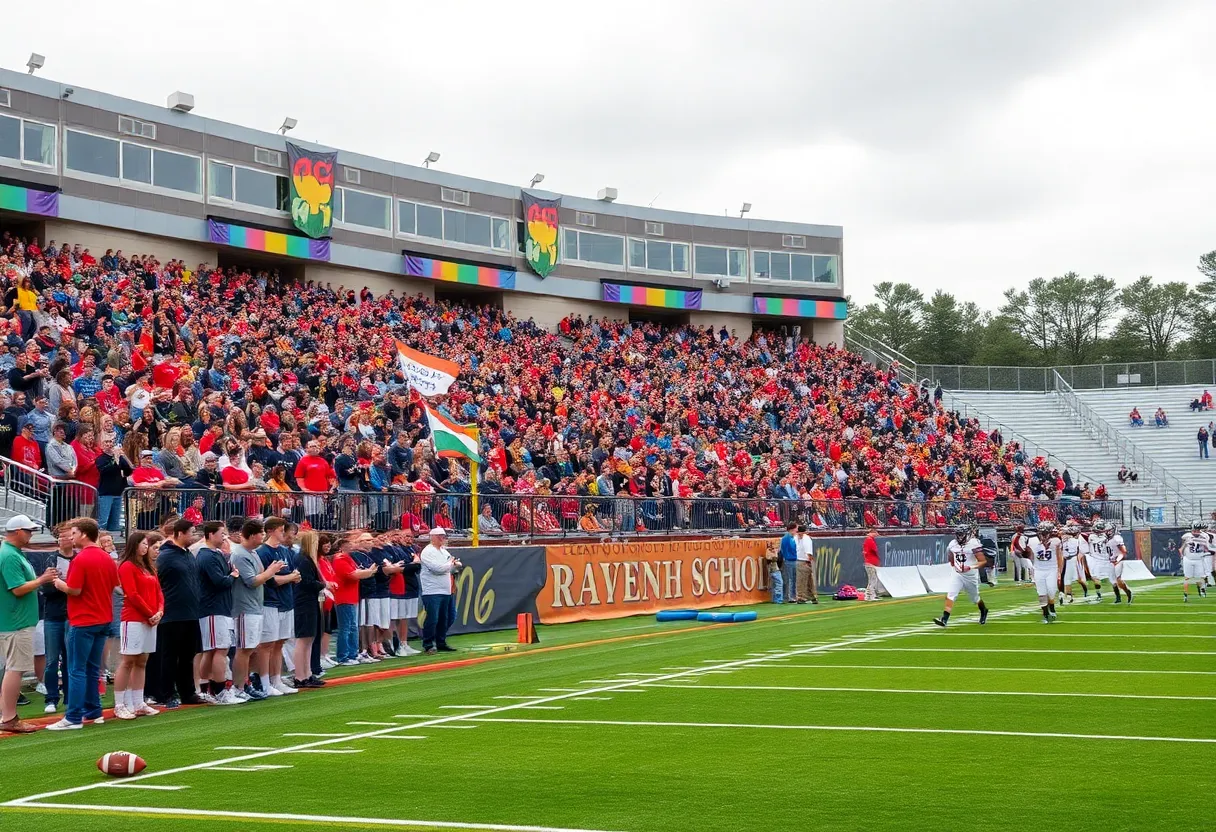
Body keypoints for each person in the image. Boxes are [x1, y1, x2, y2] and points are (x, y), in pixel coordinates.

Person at [46, 517, 119, 730]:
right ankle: (94, 711)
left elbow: (75, 590)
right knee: (91, 667)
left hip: (84, 620)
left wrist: (59, 583)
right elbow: (114, 584)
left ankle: (74, 717)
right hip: (103, 618)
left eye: (75, 533)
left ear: (84, 535)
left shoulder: (81, 559)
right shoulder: (106, 557)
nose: (72, 537)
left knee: (76, 669)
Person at [0, 515, 57, 733]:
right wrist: (42, 580)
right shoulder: (9, 556)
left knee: (13, 669)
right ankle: (9, 718)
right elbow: (17, 588)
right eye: (28, 530)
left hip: (15, 620)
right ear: (16, 532)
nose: (31, 534)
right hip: (16, 622)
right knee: (15, 670)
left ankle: (7, 715)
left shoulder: (11, 553)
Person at [150, 519, 204, 709]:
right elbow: (157, 583)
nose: (194, 536)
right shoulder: (165, 557)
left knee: (188, 656)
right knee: (169, 656)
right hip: (171, 613)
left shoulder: (187, 554)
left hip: (190, 613)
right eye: (191, 532)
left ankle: (187, 692)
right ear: (180, 533)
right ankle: (167, 693)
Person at [230, 519, 282, 702]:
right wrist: (271, 571)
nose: (263, 536)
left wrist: (269, 572)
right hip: (245, 607)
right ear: (252, 535)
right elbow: (252, 581)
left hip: (254, 606)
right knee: (244, 649)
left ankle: (246, 683)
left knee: (251, 648)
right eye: (260, 533)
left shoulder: (251, 553)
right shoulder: (240, 555)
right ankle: (238, 687)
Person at [114, 532, 164, 720]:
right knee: (128, 661)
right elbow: (132, 595)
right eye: (143, 544)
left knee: (142, 661)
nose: (146, 547)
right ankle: (120, 704)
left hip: (150, 619)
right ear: (135, 545)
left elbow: (159, 592)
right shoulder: (127, 566)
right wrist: (151, 613)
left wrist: (159, 611)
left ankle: (138, 702)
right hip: (133, 619)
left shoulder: (149, 567)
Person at [196, 521, 241, 704]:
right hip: (214, 609)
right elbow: (220, 581)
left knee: (212, 650)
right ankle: (220, 689)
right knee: (220, 649)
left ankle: (207, 688)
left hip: (217, 608)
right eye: (221, 533)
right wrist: (232, 576)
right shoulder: (207, 556)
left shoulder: (214, 555)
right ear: (210, 534)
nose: (224, 537)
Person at [255, 517, 300, 696]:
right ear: (272, 530)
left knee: (279, 643)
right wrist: (289, 578)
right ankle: (264, 682)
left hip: (286, 601)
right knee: (267, 644)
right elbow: (270, 581)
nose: (284, 534)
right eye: (281, 530)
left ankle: (276, 679)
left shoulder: (285, 551)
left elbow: (294, 574)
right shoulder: (263, 552)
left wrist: (289, 578)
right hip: (271, 602)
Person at [933, 524, 991, 627]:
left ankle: (983, 610)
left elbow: (982, 561)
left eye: (961, 534)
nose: (959, 537)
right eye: (958, 534)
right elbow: (950, 555)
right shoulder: (952, 544)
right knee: (951, 594)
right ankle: (944, 619)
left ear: (967, 534)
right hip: (957, 574)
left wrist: (970, 567)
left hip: (970, 575)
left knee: (975, 598)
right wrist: (953, 563)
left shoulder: (973, 543)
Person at [290, 530, 326, 688]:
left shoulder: (306, 559)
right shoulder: (303, 560)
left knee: (309, 639)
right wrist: (323, 585)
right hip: (304, 602)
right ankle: (300, 675)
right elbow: (306, 582)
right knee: (303, 639)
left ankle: (307, 673)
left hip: (309, 601)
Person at [419, 527, 461, 654]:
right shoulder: (427, 552)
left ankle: (440, 641)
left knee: (447, 617)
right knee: (433, 618)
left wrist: (454, 565)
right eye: (441, 536)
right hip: (432, 590)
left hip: (446, 589)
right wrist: (451, 564)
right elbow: (436, 568)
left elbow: (450, 567)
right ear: (434, 537)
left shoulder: (444, 551)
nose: (443, 539)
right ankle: (428, 644)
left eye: (443, 536)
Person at [1091, 521, 1133, 604]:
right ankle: (1118, 598)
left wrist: (1117, 560)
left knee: (1118, 580)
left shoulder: (1117, 538)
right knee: (1113, 581)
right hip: (1110, 561)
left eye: (1109, 530)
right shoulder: (1105, 539)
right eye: (1106, 531)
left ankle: (1128, 592)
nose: (1108, 532)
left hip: (1118, 560)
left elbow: (1124, 551)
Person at [1180, 520, 1210, 603]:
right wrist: (1182, 554)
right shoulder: (1186, 536)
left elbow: (1206, 546)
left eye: (1198, 530)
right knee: (1187, 577)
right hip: (1188, 559)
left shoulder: (1204, 536)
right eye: (1195, 529)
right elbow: (1182, 546)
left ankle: (1201, 589)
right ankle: (1185, 595)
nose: (1196, 531)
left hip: (1199, 559)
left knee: (1199, 577)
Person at [794, 524, 817, 604]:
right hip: (801, 561)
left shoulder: (805, 539)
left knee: (802, 581)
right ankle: (812, 597)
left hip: (803, 561)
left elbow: (809, 553)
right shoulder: (798, 538)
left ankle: (801, 597)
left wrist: (809, 561)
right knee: (807, 581)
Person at [779, 522, 798, 605]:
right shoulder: (790, 538)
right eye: (796, 528)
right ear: (793, 529)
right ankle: (791, 596)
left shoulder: (784, 538)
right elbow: (793, 548)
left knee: (789, 579)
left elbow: (782, 550)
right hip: (791, 559)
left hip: (787, 560)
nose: (797, 530)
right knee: (792, 579)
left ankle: (789, 596)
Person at [862, 526, 881, 601]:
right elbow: (875, 549)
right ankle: (869, 596)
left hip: (870, 562)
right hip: (870, 563)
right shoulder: (869, 540)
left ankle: (871, 595)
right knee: (872, 580)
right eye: (875, 533)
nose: (877, 535)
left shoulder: (868, 540)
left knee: (873, 580)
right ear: (872, 533)